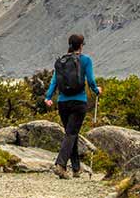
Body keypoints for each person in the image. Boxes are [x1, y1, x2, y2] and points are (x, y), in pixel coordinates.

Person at [44, 34, 101, 179]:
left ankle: (76, 168)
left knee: (71, 133)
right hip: (78, 102)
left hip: (62, 103)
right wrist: (96, 90)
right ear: (81, 45)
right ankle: (60, 165)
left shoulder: (61, 61)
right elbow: (91, 80)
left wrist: (48, 97)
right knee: (71, 133)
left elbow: (54, 81)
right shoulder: (86, 60)